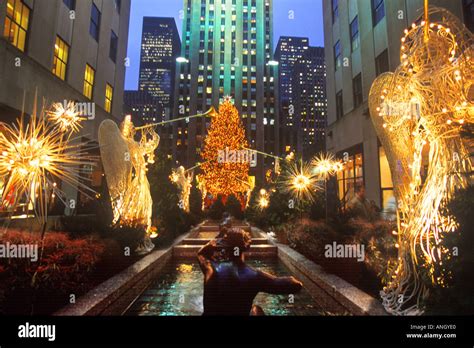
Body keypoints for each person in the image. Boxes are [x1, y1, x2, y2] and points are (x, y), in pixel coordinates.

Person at [197, 228, 302, 316]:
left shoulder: (210, 268)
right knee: (256, 310)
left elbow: (200, 254)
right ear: (247, 247)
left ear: (224, 247)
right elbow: (296, 285)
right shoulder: (255, 276)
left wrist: (209, 246)